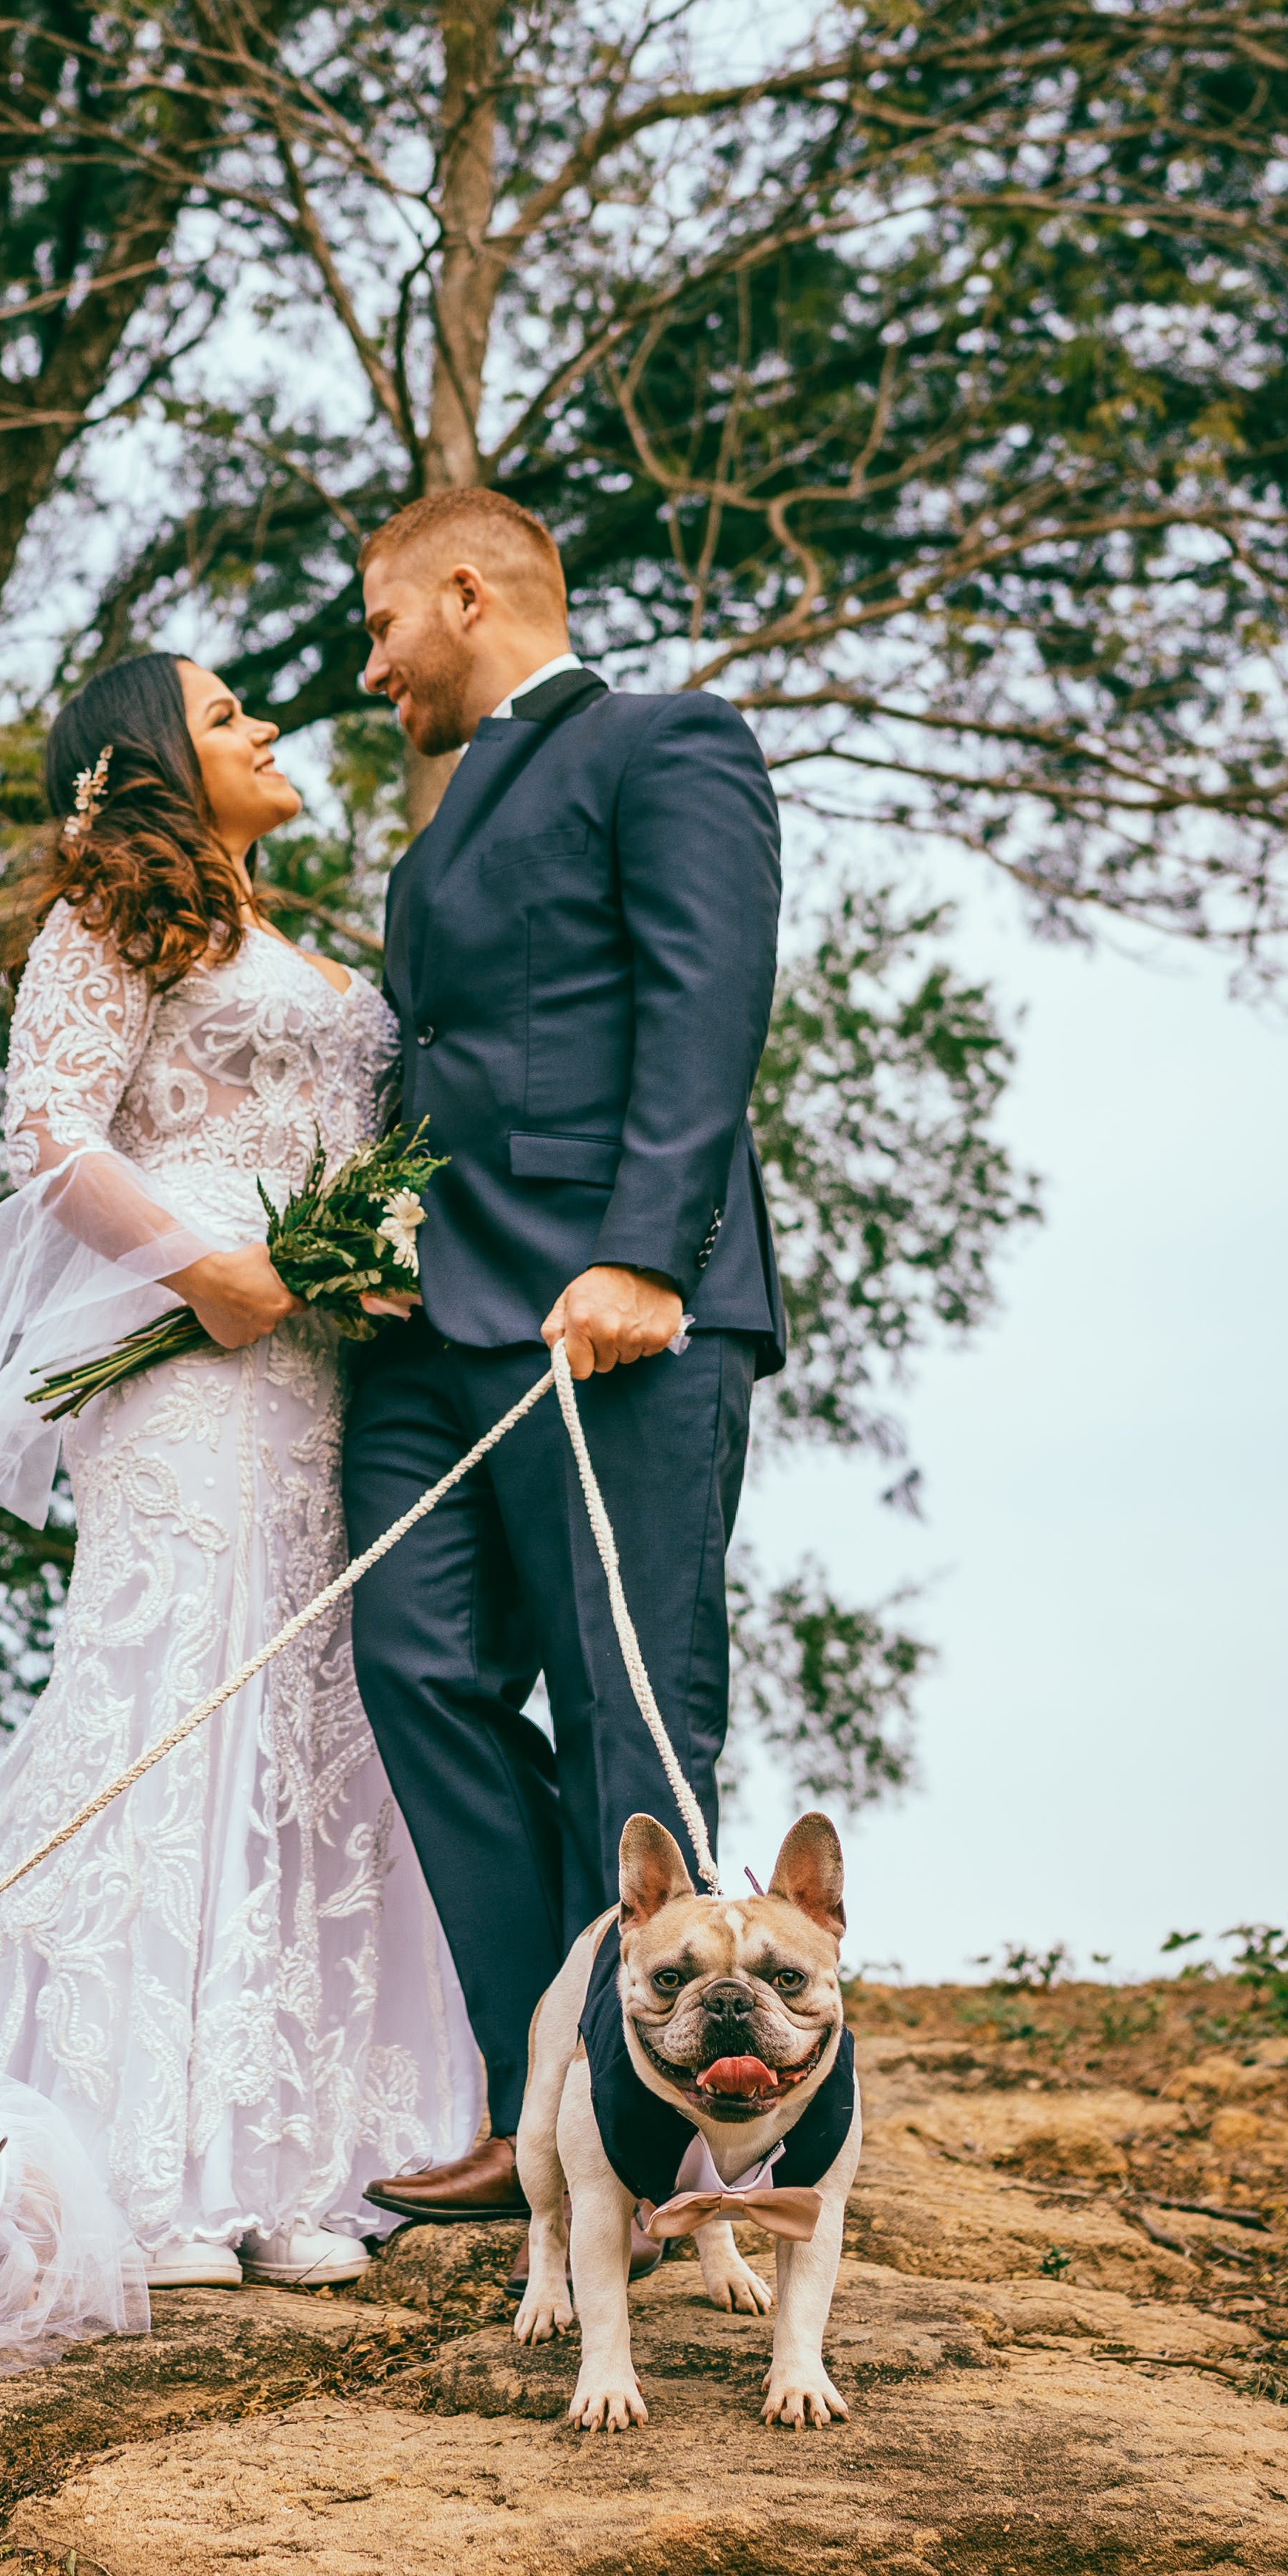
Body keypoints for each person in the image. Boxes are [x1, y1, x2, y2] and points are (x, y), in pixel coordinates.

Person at [0, 651, 481, 2290]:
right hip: (190, 1372)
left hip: (322, 1378)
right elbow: (55, 1133)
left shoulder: (297, 933)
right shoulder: (103, 921)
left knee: (314, 1721)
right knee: (175, 1699)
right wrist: (203, 1269)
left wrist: (363, 1260)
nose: (270, 729)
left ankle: (290, 2157)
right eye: (232, 715)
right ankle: (124, 2157)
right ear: (154, 757)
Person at [342, 489, 786, 2224]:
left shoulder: (670, 741)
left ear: (468, 589)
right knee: (416, 1663)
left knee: (629, 1704)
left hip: (623, 1318)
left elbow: (706, 992)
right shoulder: (443, 822)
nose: (372, 665)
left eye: (383, 623)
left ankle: (654, 2128)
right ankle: (539, 2077)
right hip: (432, 1332)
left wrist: (645, 1253)